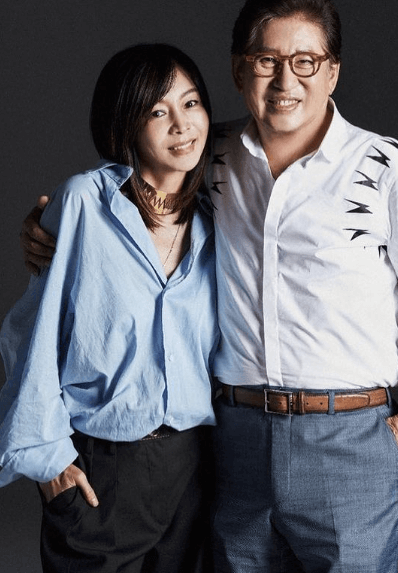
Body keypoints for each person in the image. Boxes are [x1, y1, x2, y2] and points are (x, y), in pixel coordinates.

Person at [19, 1, 398, 572]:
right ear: (240, 70)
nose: (286, 80)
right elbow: (131, 191)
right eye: (267, 60)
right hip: (234, 443)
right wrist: (47, 227)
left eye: (306, 61)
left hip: (350, 441)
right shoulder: (212, 158)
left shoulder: (390, 167)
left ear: (333, 71)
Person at [0, 43, 218, 573]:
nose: (182, 125)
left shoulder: (217, 218)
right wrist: (49, 459)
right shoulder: (82, 202)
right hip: (104, 466)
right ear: (126, 125)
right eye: (157, 112)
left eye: (191, 103)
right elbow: (30, 334)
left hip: (195, 466)